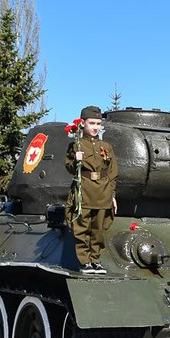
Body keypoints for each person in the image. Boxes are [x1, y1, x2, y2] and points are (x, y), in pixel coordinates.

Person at [65, 105, 118, 275]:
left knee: (99, 229)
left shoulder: (106, 147)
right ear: (83, 124)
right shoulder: (77, 145)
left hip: (103, 191)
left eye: (98, 123)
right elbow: (70, 168)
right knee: (82, 227)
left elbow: (112, 172)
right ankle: (84, 261)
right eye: (91, 123)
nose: (95, 127)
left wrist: (112, 194)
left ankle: (96, 260)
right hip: (85, 190)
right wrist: (76, 160)